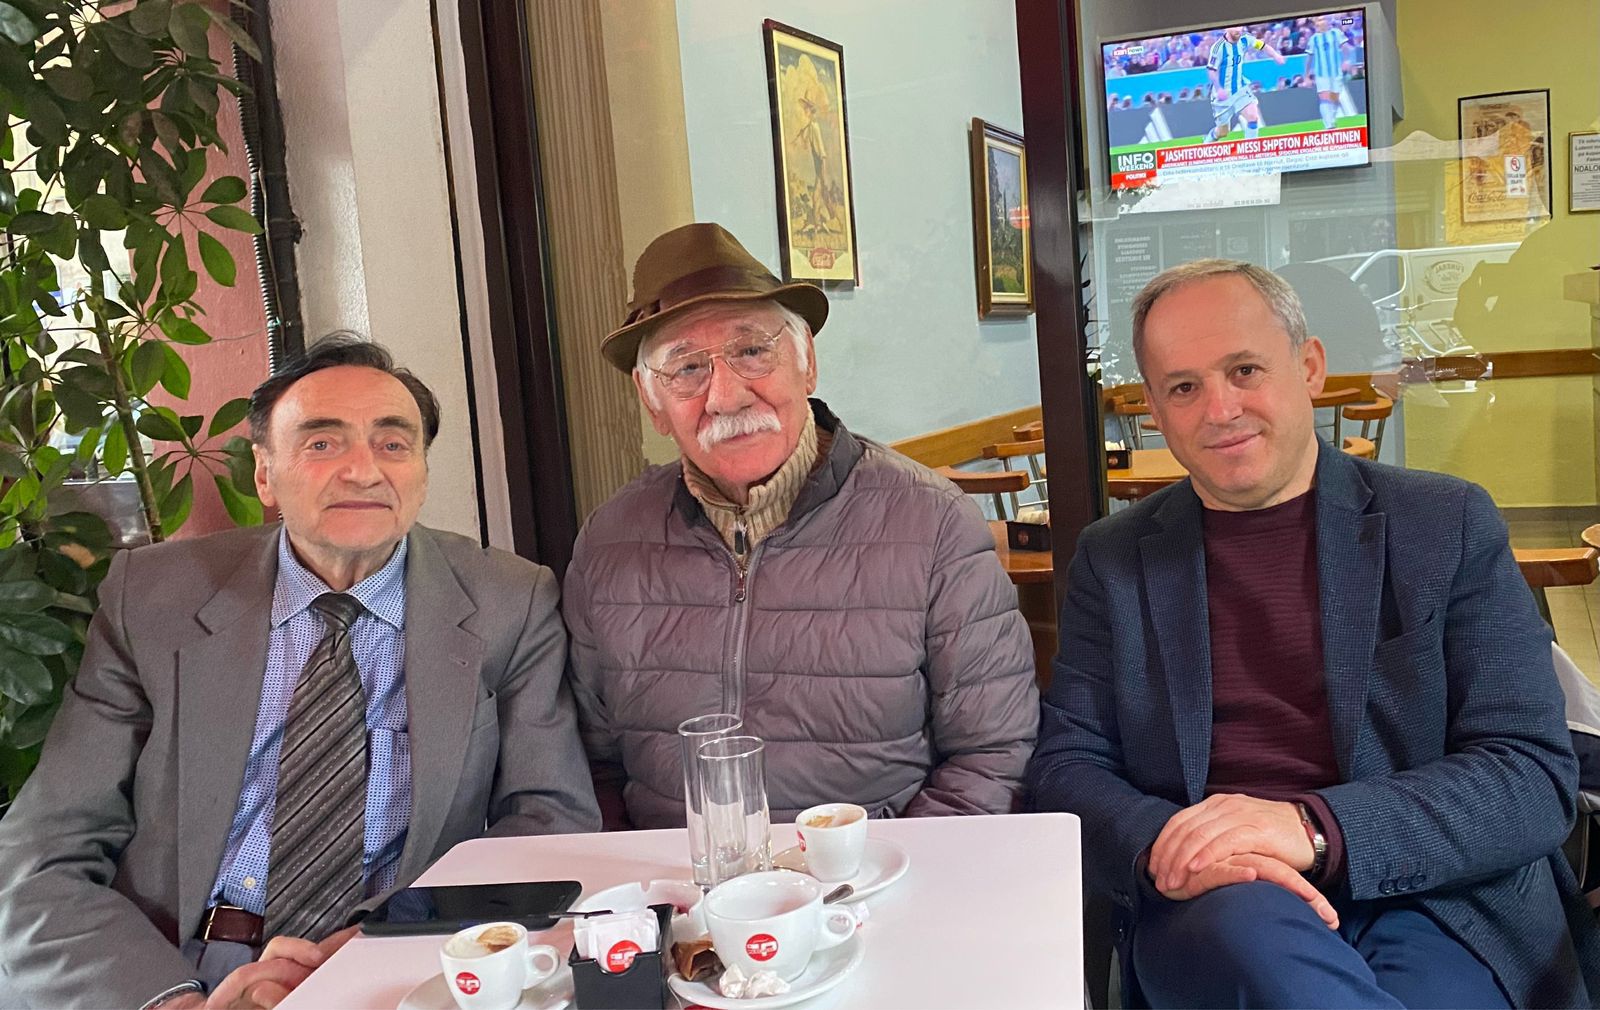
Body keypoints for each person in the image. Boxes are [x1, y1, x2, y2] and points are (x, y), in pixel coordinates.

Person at [1028, 259, 1600, 1007]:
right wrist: (1169, 843)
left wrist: (1315, 828)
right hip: (1220, 901)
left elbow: (1529, 772)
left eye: (1244, 370)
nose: (1220, 409)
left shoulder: (1443, 525)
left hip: (1435, 894)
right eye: (1183, 387)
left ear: (1309, 368)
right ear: (1154, 412)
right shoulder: (1116, 559)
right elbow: (1068, 764)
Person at [0, 336, 601, 1009]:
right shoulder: (154, 599)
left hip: (401, 963)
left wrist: (383, 940)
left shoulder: (507, 603)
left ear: (422, 472)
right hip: (178, 963)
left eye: (393, 444)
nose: (363, 471)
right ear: (265, 473)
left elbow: (551, 819)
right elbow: (43, 851)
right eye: (322, 443)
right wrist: (173, 1001)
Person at [564, 222, 1038, 829]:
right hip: (674, 881)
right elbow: (590, 767)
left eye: (751, 351)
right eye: (686, 368)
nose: (726, 396)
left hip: (875, 876)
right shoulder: (608, 542)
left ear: (807, 361)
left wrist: (876, 871)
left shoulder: (934, 524)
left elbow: (993, 757)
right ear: (650, 399)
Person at [1206, 26, 1285, 142]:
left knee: (1253, 116)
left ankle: (1251, 149)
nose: (1238, 30)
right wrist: (1219, 89)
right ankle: (1208, 141)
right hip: (1223, 95)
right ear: (1226, 29)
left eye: (1240, 26)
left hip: (1240, 89)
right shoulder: (1218, 48)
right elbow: (1211, 70)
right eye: (1234, 27)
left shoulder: (1245, 39)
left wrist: (1275, 55)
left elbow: (1262, 45)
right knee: (1223, 132)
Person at [1309, 14, 1350, 130]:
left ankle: (1331, 120)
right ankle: (1328, 125)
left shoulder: (1336, 33)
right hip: (1321, 74)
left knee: (1334, 98)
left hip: (1336, 72)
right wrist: (1306, 75)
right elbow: (1309, 57)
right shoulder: (1314, 39)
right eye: (1318, 20)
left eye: (1322, 20)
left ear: (1327, 21)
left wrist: (1346, 60)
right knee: (1324, 98)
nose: (1320, 22)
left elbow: (1345, 47)